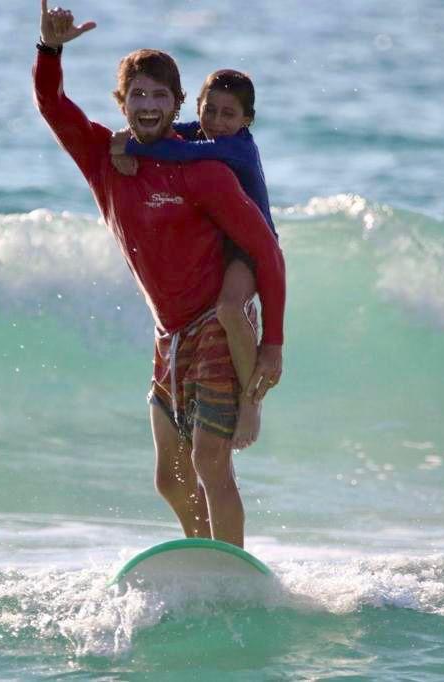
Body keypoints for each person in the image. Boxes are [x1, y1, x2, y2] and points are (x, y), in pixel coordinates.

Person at [34, 2, 285, 548]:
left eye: (159, 96)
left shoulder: (206, 170)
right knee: (170, 479)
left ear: (176, 104)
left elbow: (267, 252)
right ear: (122, 103)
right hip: (168, 334)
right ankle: (203, 559)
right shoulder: (104, 158)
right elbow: (53, 106)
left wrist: (272, 344)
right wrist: (50, 50)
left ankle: (229, 570)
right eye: (137, 95)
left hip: (215, 323)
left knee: (210, 462)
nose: (148, 105)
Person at [111, 70, 275, 452]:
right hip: (223, 244)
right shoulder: (203, 131)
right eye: (209, 110)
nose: (216, 122)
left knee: (229, 308)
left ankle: (251, 402)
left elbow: (179, 151)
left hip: (250, 250)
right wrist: (123, 138)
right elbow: (172, 134)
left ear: (247, 120)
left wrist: (129, 146)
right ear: (198, 106)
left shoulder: (235, 147)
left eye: (228, 114)